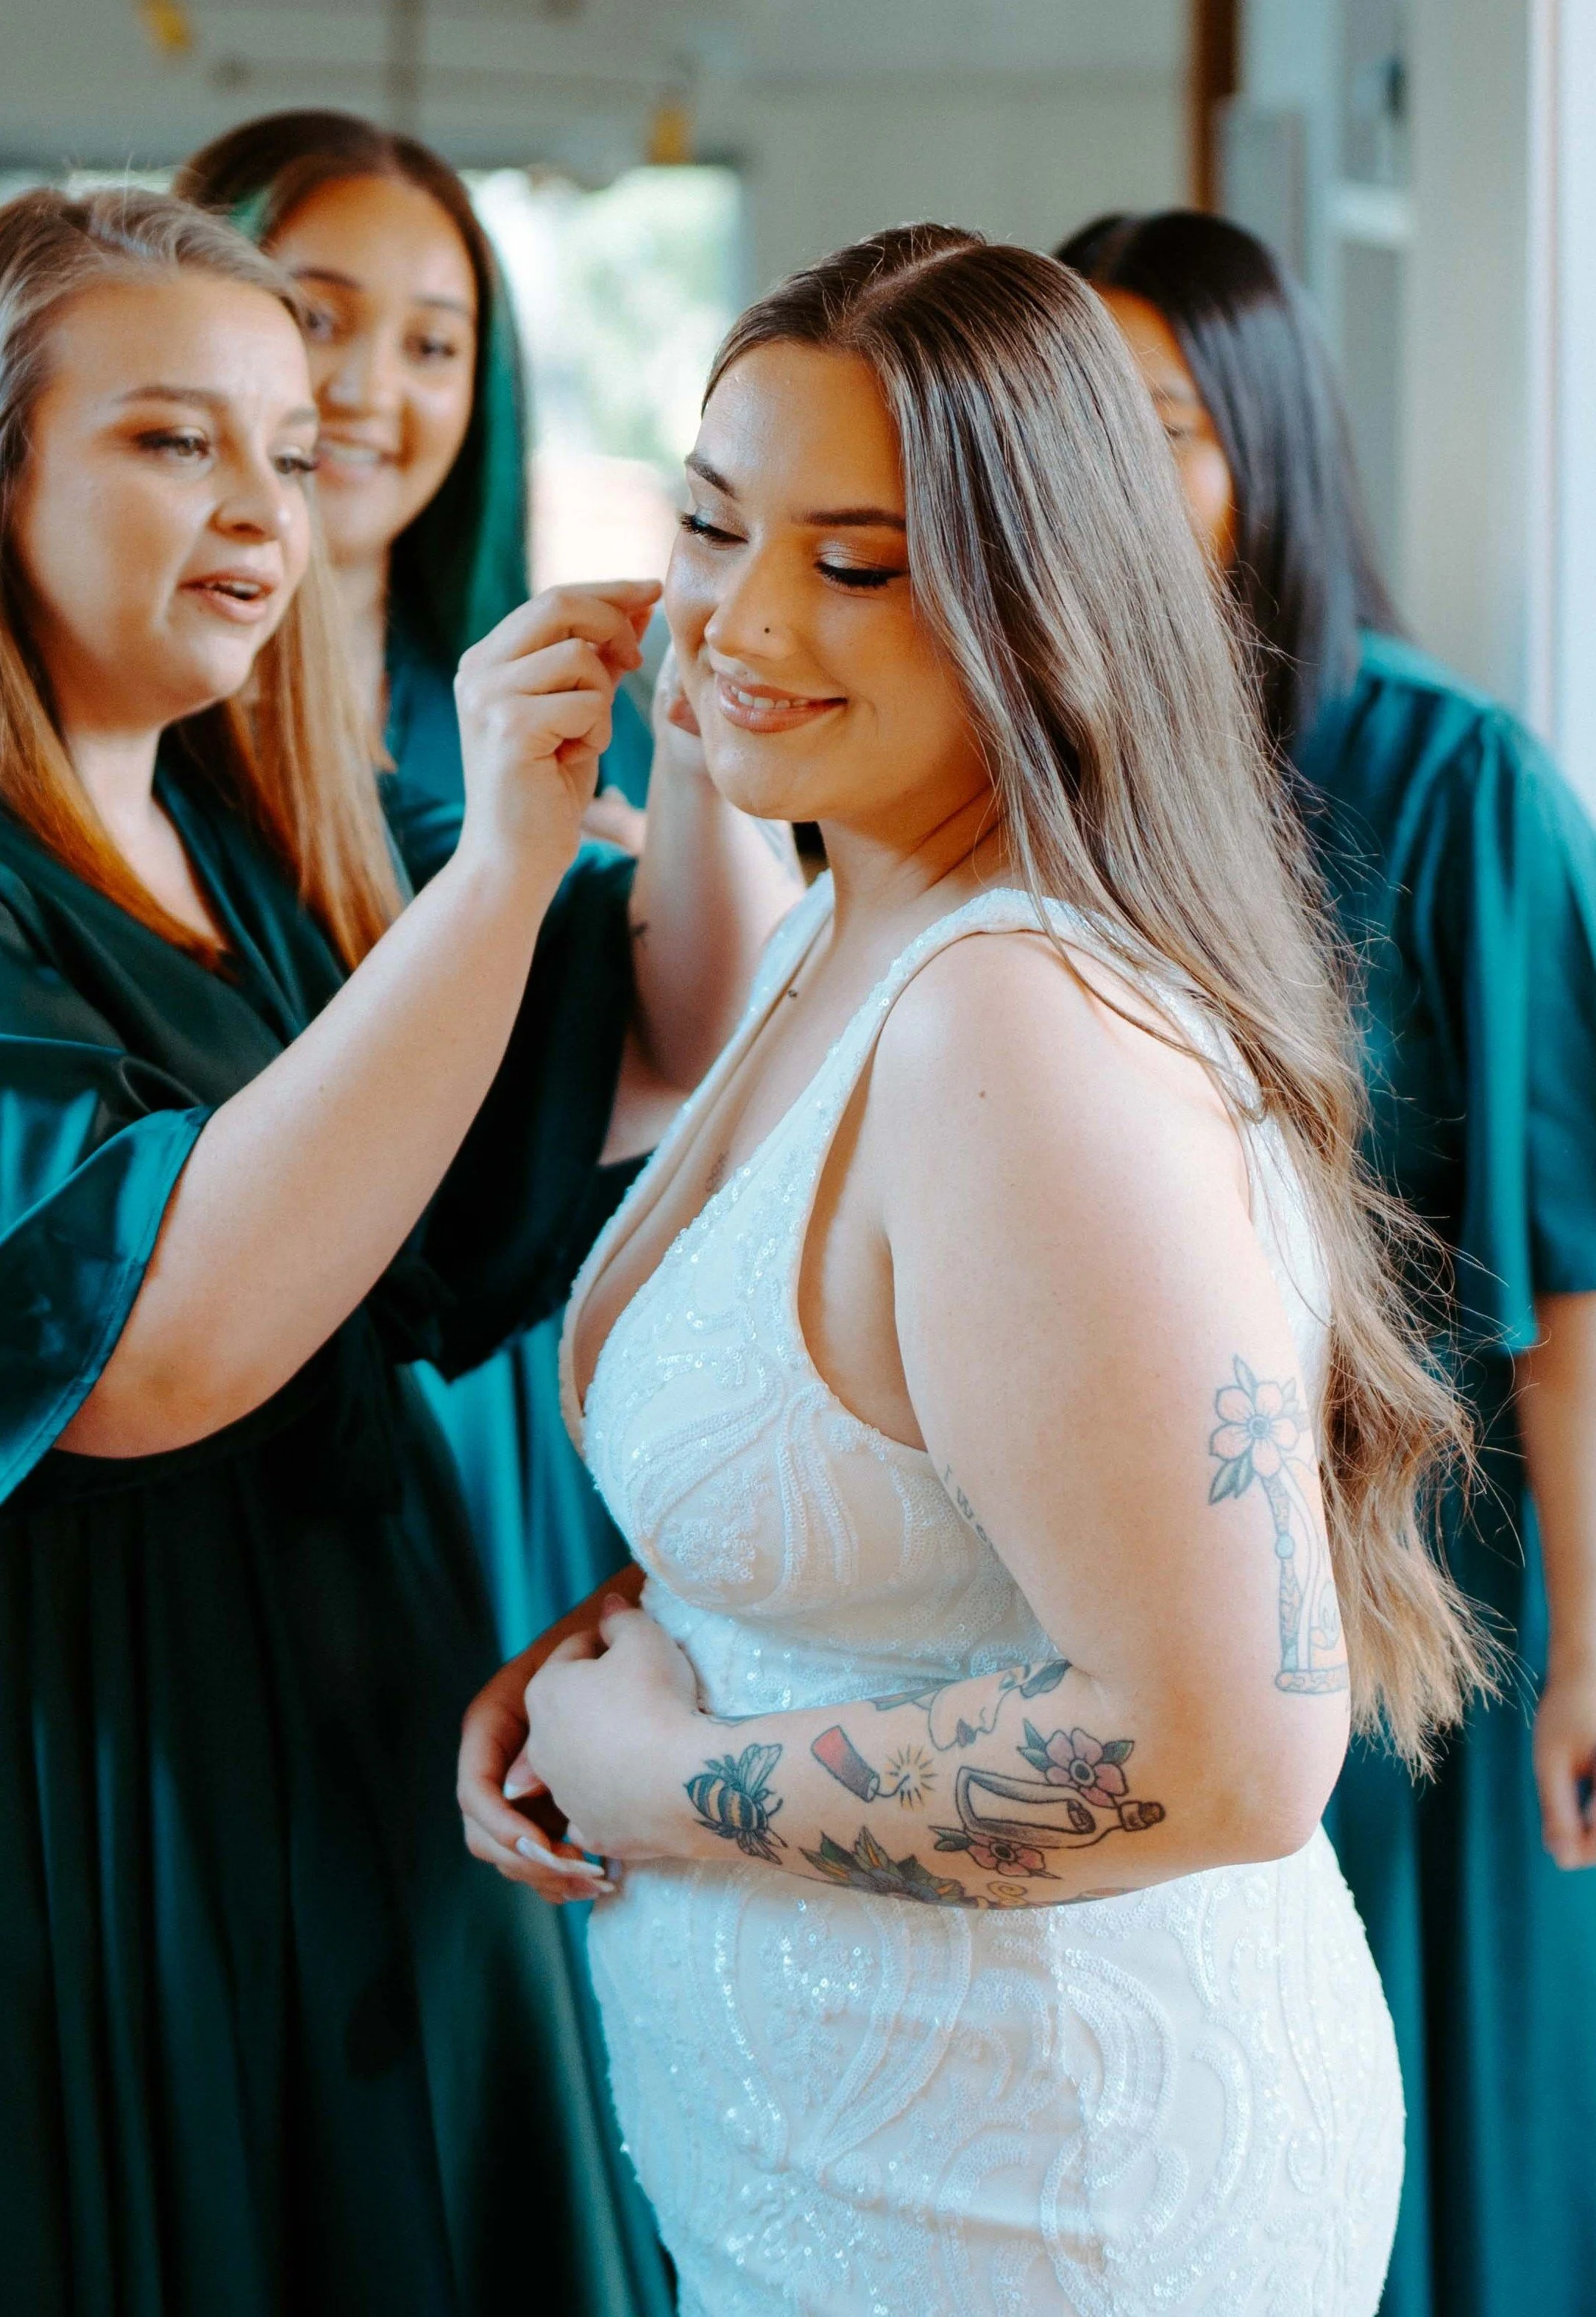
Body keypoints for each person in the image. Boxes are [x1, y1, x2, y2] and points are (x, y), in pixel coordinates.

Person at [457, 224, 1497, 2314]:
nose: (741, 618)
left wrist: (667, 1777)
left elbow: (1226, 1744)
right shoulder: (862, 919)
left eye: (858, 563)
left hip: (1053, 2188)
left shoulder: (1015, 1022)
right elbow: (910, 1483)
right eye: (706, 522)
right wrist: (644, 1636)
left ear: (1042, 602)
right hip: (877, 2152)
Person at [0, 185, 792, 2317]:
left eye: (282, 445)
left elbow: (622, 1068)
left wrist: (704, 723)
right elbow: (149, 1346)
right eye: (173, 441)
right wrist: (507, 862)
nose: (266, 501)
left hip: (360, 1682)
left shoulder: (242, 844)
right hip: (108, 1760)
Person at [1059, 206, 1596, 2317]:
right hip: (1117, 1584)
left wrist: (1590, 1641)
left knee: (1422, 2158)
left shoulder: (1461, 786)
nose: (1114, 484)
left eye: (1167, 428)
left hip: (1414, 1598)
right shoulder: (1040, 794)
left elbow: (1571, 1275)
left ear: (1266, 453)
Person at [175, 109, 678, 1663]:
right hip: (250, 1410)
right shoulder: (149, 736)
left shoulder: (567, 709)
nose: (368, 389)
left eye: (435, 344)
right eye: (316, 316)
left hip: (520, 1375)